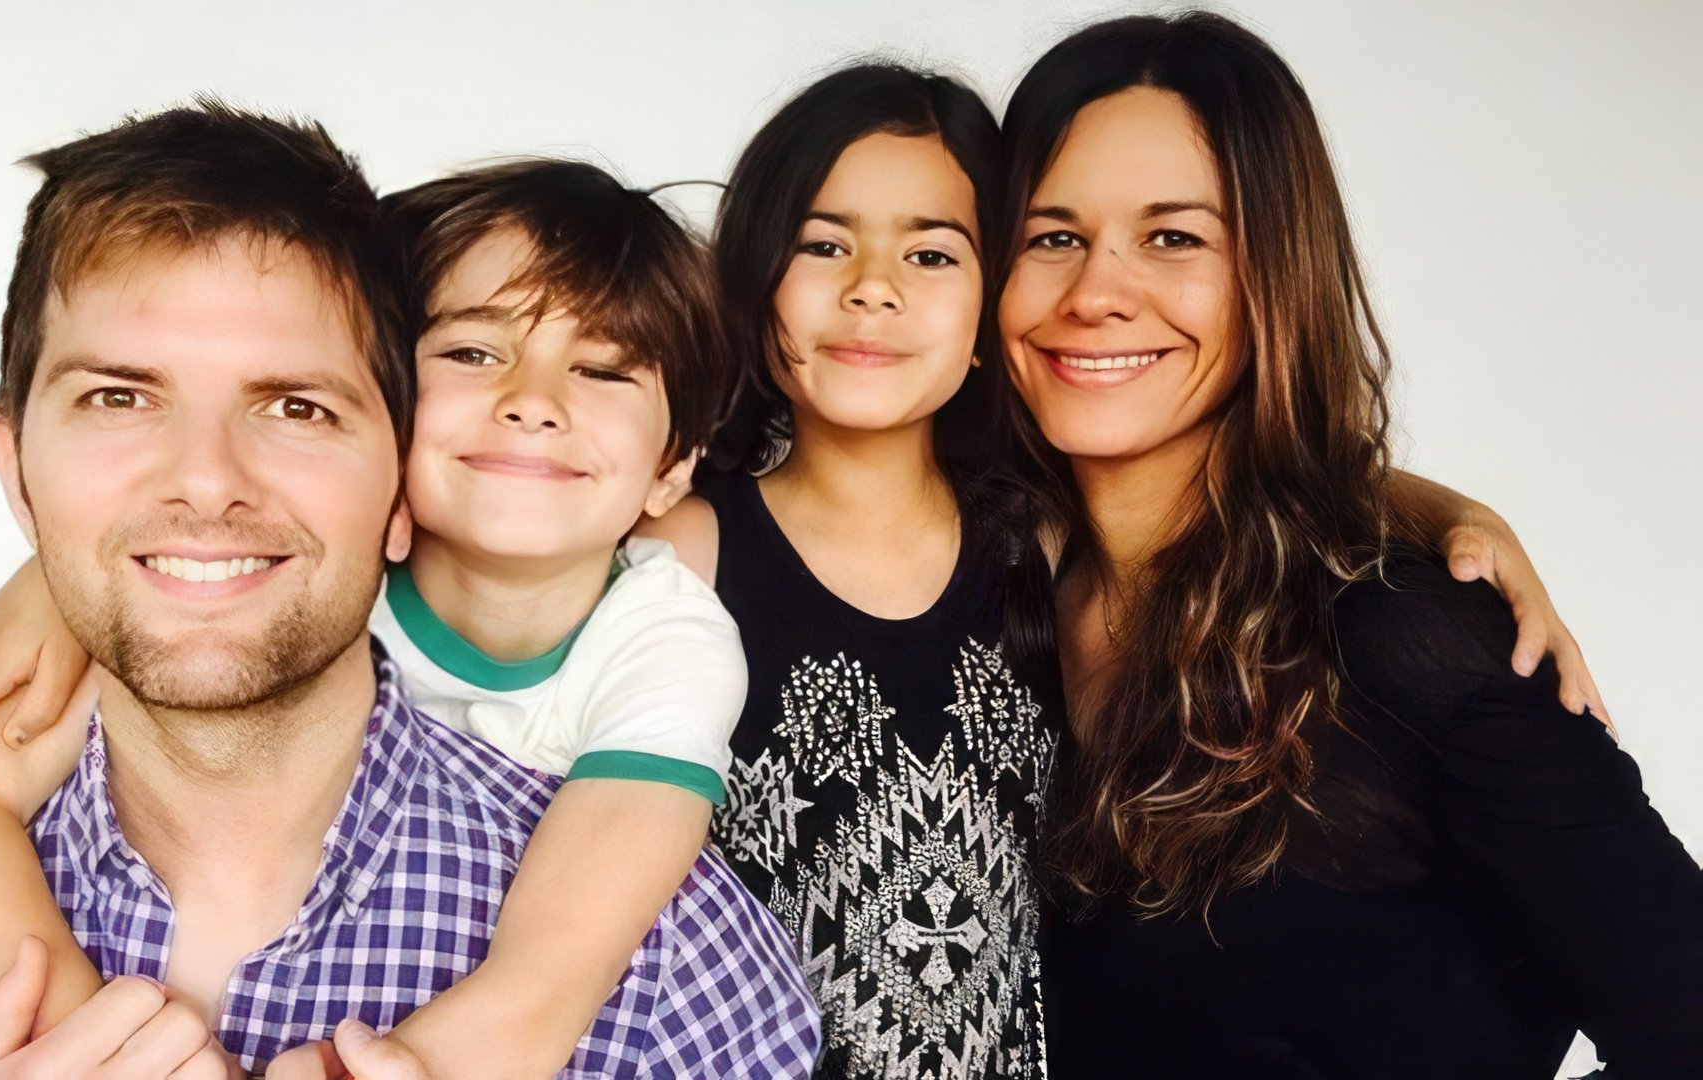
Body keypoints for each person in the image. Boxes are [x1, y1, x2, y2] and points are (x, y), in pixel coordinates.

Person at [0, 101, 819, 1078]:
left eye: (296, 408)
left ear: (397, 486)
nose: (206, 481)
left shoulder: (670, 954)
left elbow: (547, 987)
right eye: (118, 396)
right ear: (18, 475)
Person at [641, 61, 1600, 1080]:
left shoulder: (1038, 540)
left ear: (990, 305)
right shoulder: (684, 555)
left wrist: (1450, 513)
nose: (872, 287)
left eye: (931, 253)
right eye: (822, 245)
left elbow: (1243, 479)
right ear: (754, 280)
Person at [993, 14, 1703, 1077]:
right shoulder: (987, 594)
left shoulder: (1403, 635)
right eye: (1052, 236)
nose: (1096, 292)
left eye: (1175, 237)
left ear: (1274, 273)